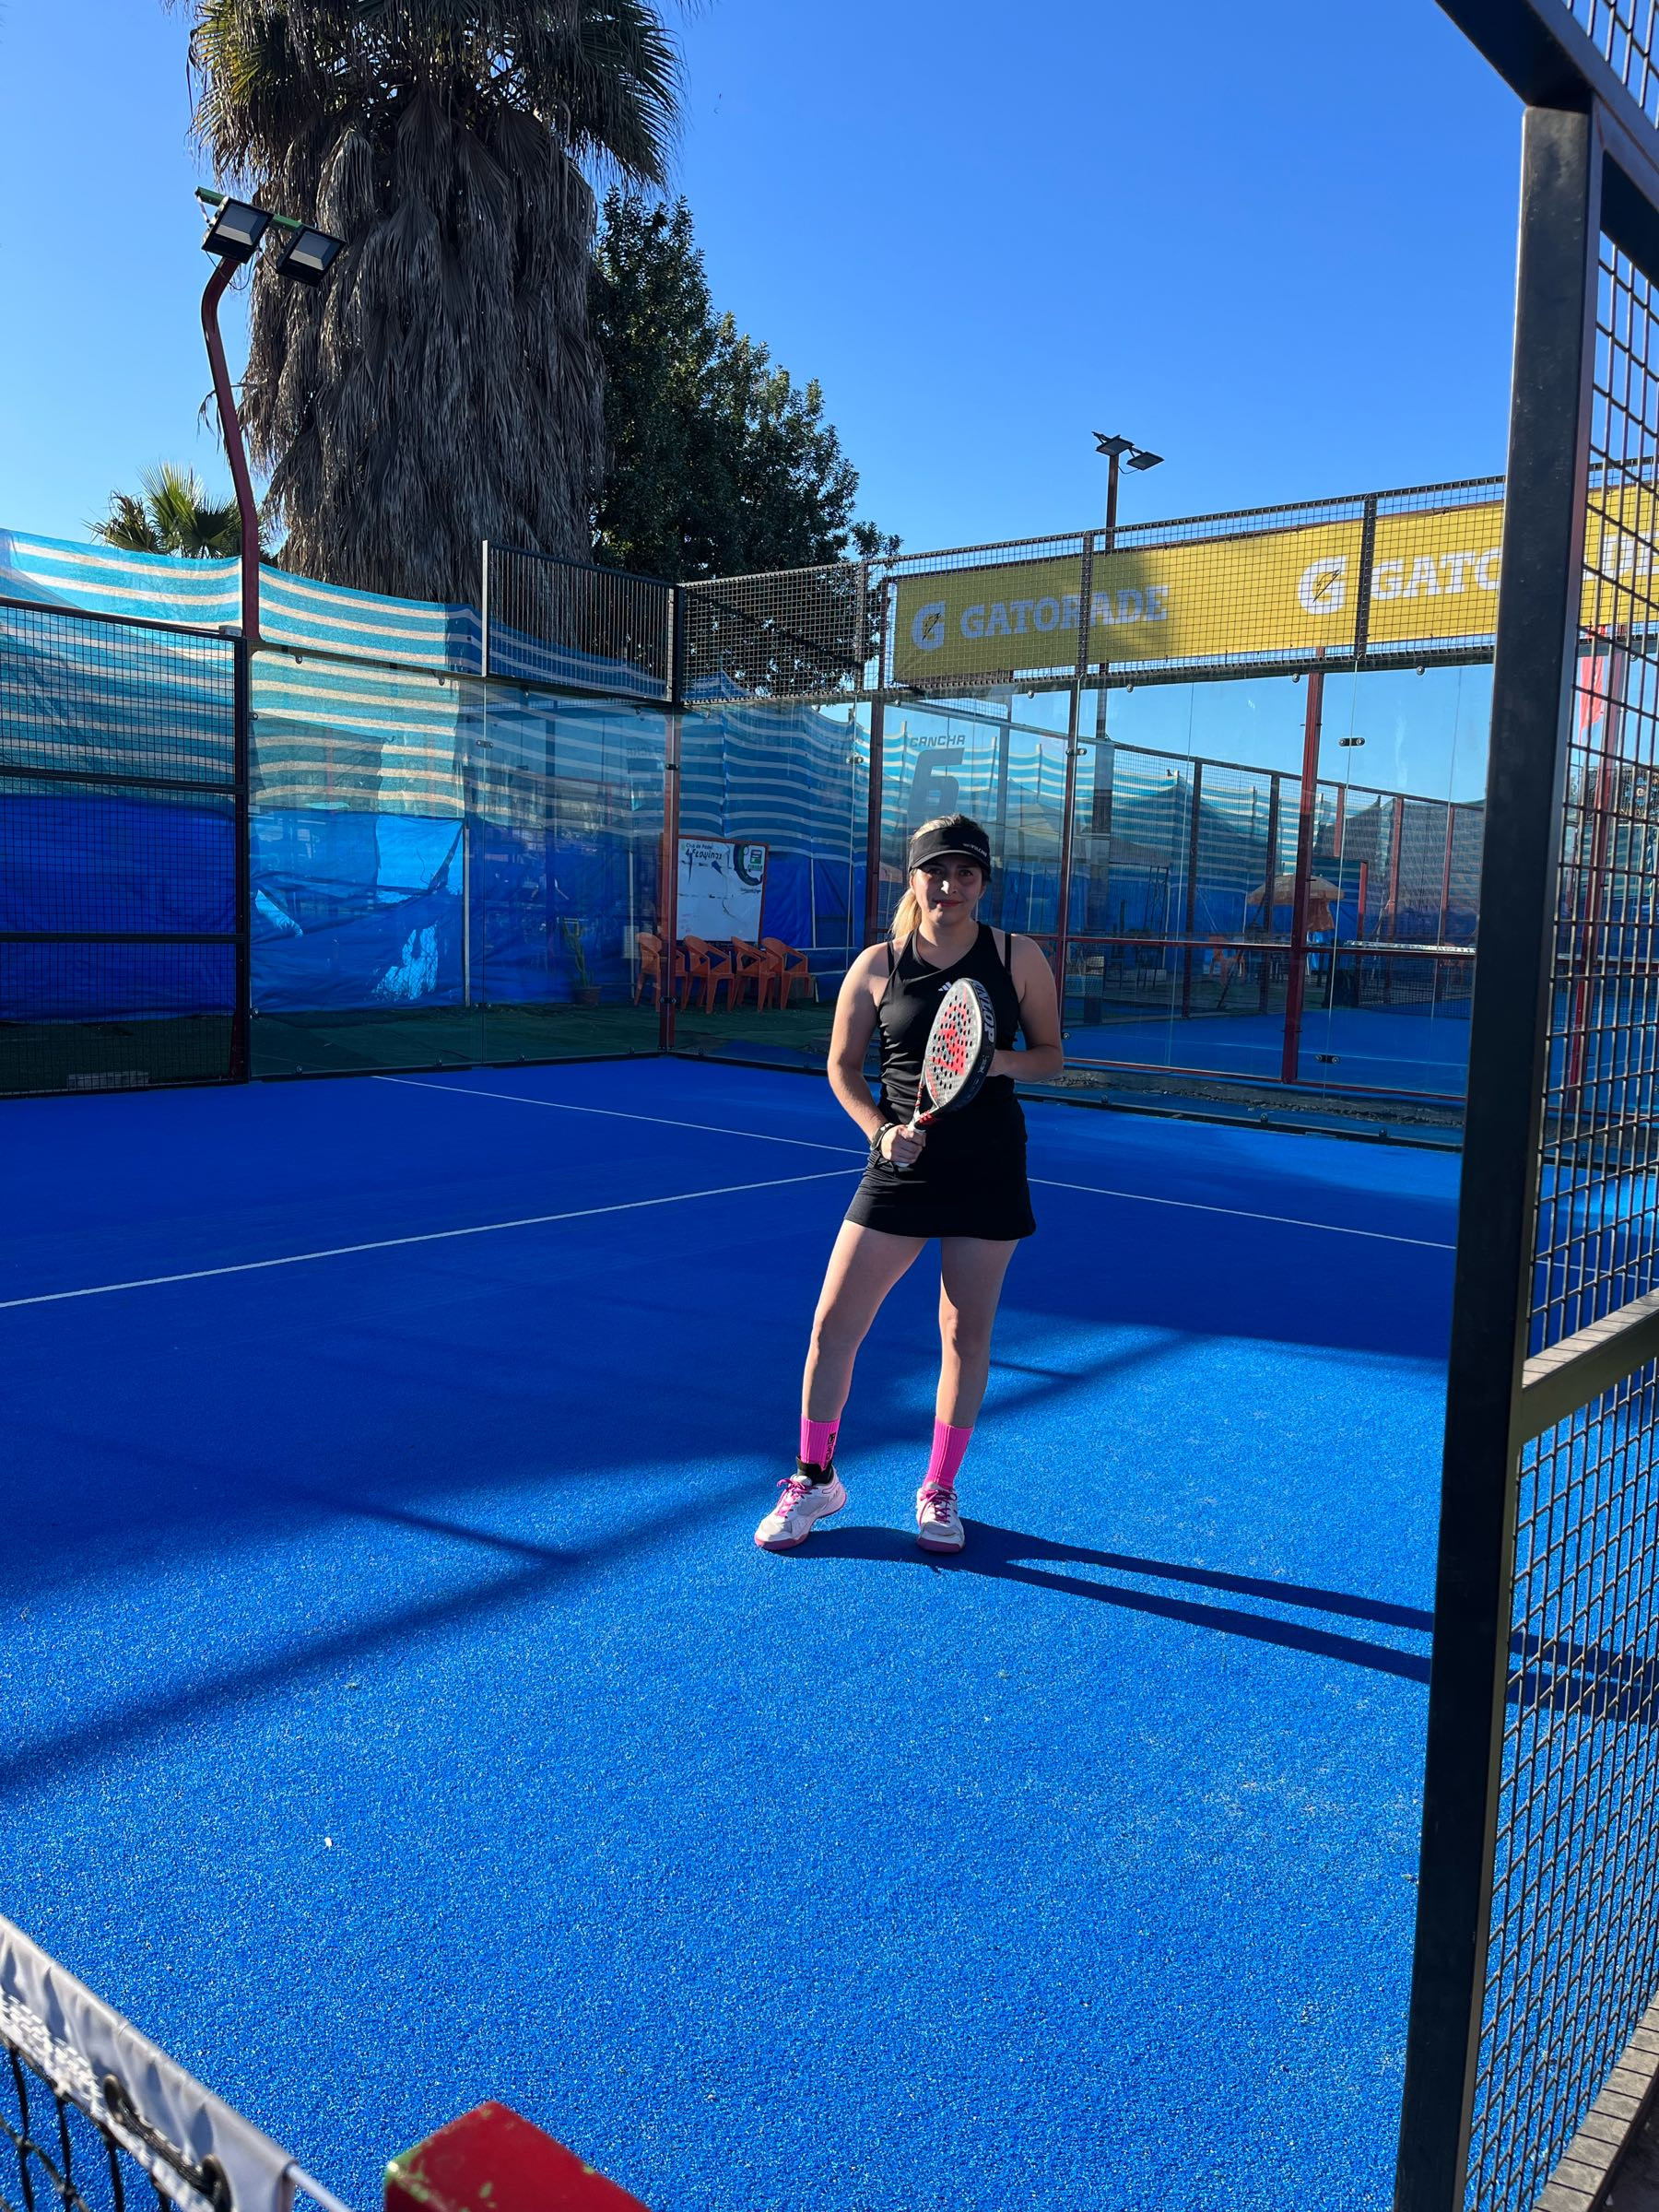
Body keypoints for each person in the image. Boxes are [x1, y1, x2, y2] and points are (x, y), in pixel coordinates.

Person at [754, 814, 1065, 1557]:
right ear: (912, 878)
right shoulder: (876, 965)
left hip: (988, 1167)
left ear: (982, 883)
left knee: (964, 1334)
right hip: (898, 1167)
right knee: (833, 1326)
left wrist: (996, 1062)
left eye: (965, 873)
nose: (949, 886)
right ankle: (815, 1479)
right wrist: (879, 1130)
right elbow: (841, 1068)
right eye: (936, 871)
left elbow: (1051, 1055)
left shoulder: (1018, 956)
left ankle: (939, 1488)